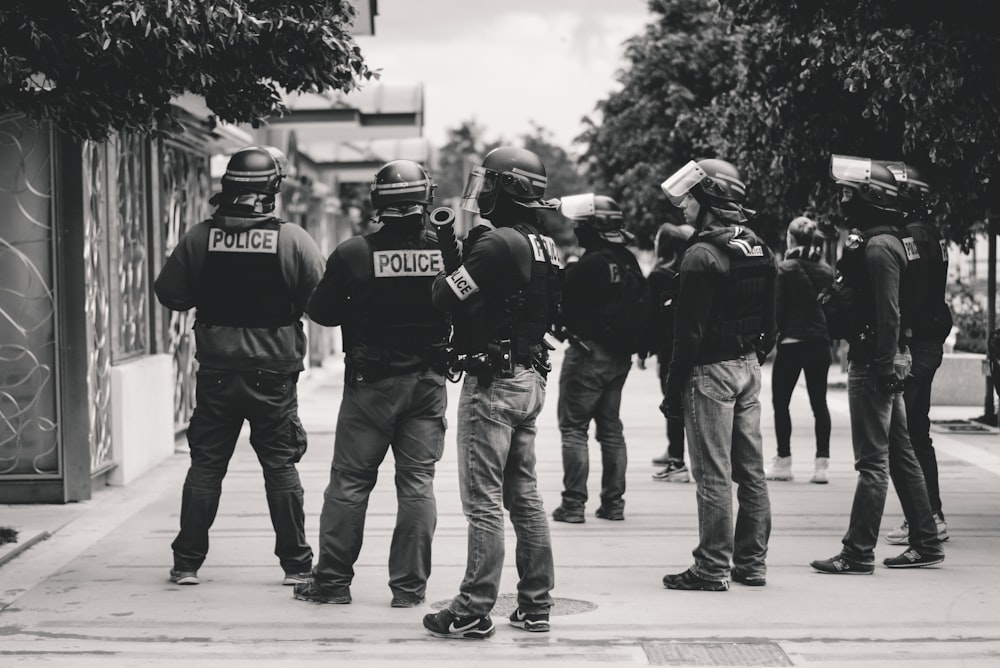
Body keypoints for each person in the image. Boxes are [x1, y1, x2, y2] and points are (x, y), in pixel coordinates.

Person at [154, 145, 324, 586]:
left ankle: (187, 563)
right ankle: (297, 566)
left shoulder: (199, 237)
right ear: (272, 191)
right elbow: (322, 302)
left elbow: (170, 294)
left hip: (216, 371)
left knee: (207, 465)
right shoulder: (292, 239)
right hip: (274, 373)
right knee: (280, 466)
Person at [292, 160, 450, 607]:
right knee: (417, 485)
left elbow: (321, 312)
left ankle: (333, 584)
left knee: (350, 485)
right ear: (426, 200)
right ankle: (408, 589)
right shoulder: (446, 251)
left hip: (371, 387)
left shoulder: (354, 253)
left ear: (378, 201)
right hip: (428, 384)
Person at [422, 146, 561, 639]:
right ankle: (536, 605)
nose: (481, 194)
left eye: (490, 184)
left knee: (483, 502)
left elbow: (444, 295)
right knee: (524, 498)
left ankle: (474, 608)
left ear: (506, 189)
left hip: (494, 385)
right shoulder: (541, 243)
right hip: (529, 379)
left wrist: (460, 253)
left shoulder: (496, 243)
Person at [810, 155, 944, 574]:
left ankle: (857, 552)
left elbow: (890, 314)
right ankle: (925, 541)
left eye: (849, 193)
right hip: (883, 359)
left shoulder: (880, 247)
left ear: (870, 196)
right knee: (902, 455)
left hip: (874, 364)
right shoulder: (886, 240)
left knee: (872, 462)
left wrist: (885, 366)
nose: (843, 200)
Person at [658, 158, 776, 591]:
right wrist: (751, 356)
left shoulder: (700, 255)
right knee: (751, 472)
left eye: (689, 197)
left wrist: (673, 392)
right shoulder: (759, 246)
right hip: (747, 367)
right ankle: (752, 564)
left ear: (708, 200)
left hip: (709, 371)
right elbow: (771, 321)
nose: (683, 205)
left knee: (712, 473)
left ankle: (711, 568)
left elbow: (686, 337)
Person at [550, 194, 650, 523]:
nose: (576, 229)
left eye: (581, 224)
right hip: (620, 358)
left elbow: (563, 307)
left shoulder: (588, 264)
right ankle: (613, 504)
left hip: (588, 355)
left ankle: (573, 504)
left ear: (592, 229)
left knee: (574, 429)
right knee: (610, 430)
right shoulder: (628, 261)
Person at [875, 162, 952, 546]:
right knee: (917, 431)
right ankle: (930, 514)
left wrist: (899, 339)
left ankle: (924, 518)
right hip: (929, 339)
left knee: (904, 434)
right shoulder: (931, 233)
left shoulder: (912, 237)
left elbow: (912, 294)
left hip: (917, 341)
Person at [765, 216, 835, 484]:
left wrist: (775, 335)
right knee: (820, 404)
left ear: (791, 239)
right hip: (819, 343)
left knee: (781, 403)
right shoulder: (825, 269)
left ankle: (784, 461)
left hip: (792, 344)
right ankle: (821, 466)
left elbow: (778, 311)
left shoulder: (785, 268)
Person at [649, 222, 695, 482]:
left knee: (672, 403)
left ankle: (677, 461)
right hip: (693, 346)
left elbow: (651, 318)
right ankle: (678, 454)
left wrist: (645, 351)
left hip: (669, 350)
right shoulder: (689, 270)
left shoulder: (659, 275)